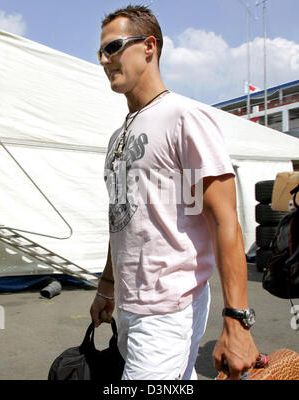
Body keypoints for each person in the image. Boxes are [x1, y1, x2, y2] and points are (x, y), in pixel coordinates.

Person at [90, 4, 259, 380]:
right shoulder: (119, 135)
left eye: (113, 47)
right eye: (100, 52)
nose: (104, 60)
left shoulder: (185, 118)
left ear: (149, 46)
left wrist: (237, 321)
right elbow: (124, 218)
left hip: (169, 308)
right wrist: (106, 287)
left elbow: (224, 219)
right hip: (129, 307)